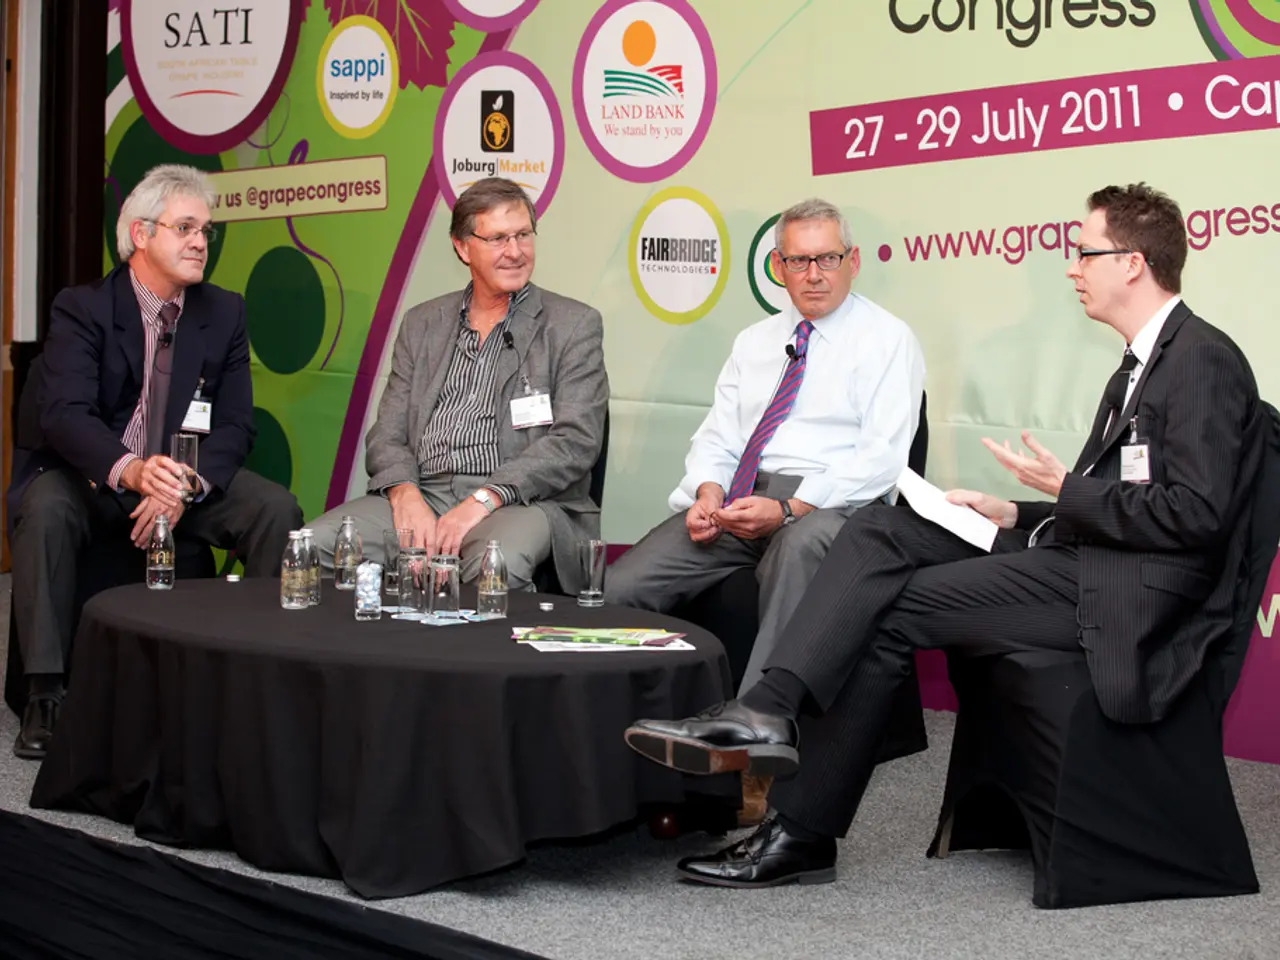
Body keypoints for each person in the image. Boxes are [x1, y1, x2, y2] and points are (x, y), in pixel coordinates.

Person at [622, 183, 1264, 887]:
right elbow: (1127, 500)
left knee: (888, 609)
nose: (1072, 268)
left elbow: (1197, 517)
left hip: (1129, 592)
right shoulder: (1141, 363)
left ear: (1134, 263)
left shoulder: (1200, 358)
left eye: (1084, 252)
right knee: (880, 532)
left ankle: (797, 826)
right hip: (1084, 553)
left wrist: (1066, 492)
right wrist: (1015, 512)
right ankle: (765, 713)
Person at [607, 198, 925, 823]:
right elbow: (718, 439)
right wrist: (707, 494)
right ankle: (637, 746)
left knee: (800, 548)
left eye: (828, 259)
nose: (814, 274)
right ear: (778, 266)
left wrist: (789, 507)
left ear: (853, 262)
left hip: (835, 500)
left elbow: (882, 460)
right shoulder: (756, 341)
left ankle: (754, 738)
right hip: (744, 498)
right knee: (625, 582)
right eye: (799, 260)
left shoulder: (888, 340)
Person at [7, 164, 303, 760]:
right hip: (91, 476)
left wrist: (182, 485)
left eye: (207, 231)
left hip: (179, 484)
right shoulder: (83, 308)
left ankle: (253, 676)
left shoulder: (223, 313)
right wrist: (134, 471)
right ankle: (46, 693)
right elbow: (63, 414)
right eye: (186, 228)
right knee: (43, 509)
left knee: (276, 509)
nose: (201, 242)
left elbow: (236, 425)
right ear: (141, 234)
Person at [308, 178, 608, 593]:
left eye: (523, 235)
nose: (516, 252)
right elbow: (387, 433)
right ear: (463, 247)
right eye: (498, 238)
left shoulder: (572, 325)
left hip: (521, 500)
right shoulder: (423, 323)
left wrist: (483, 499)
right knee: (316, 548)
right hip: (424, 492)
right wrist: (404, 495)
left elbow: (575, 441)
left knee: (493, 565)